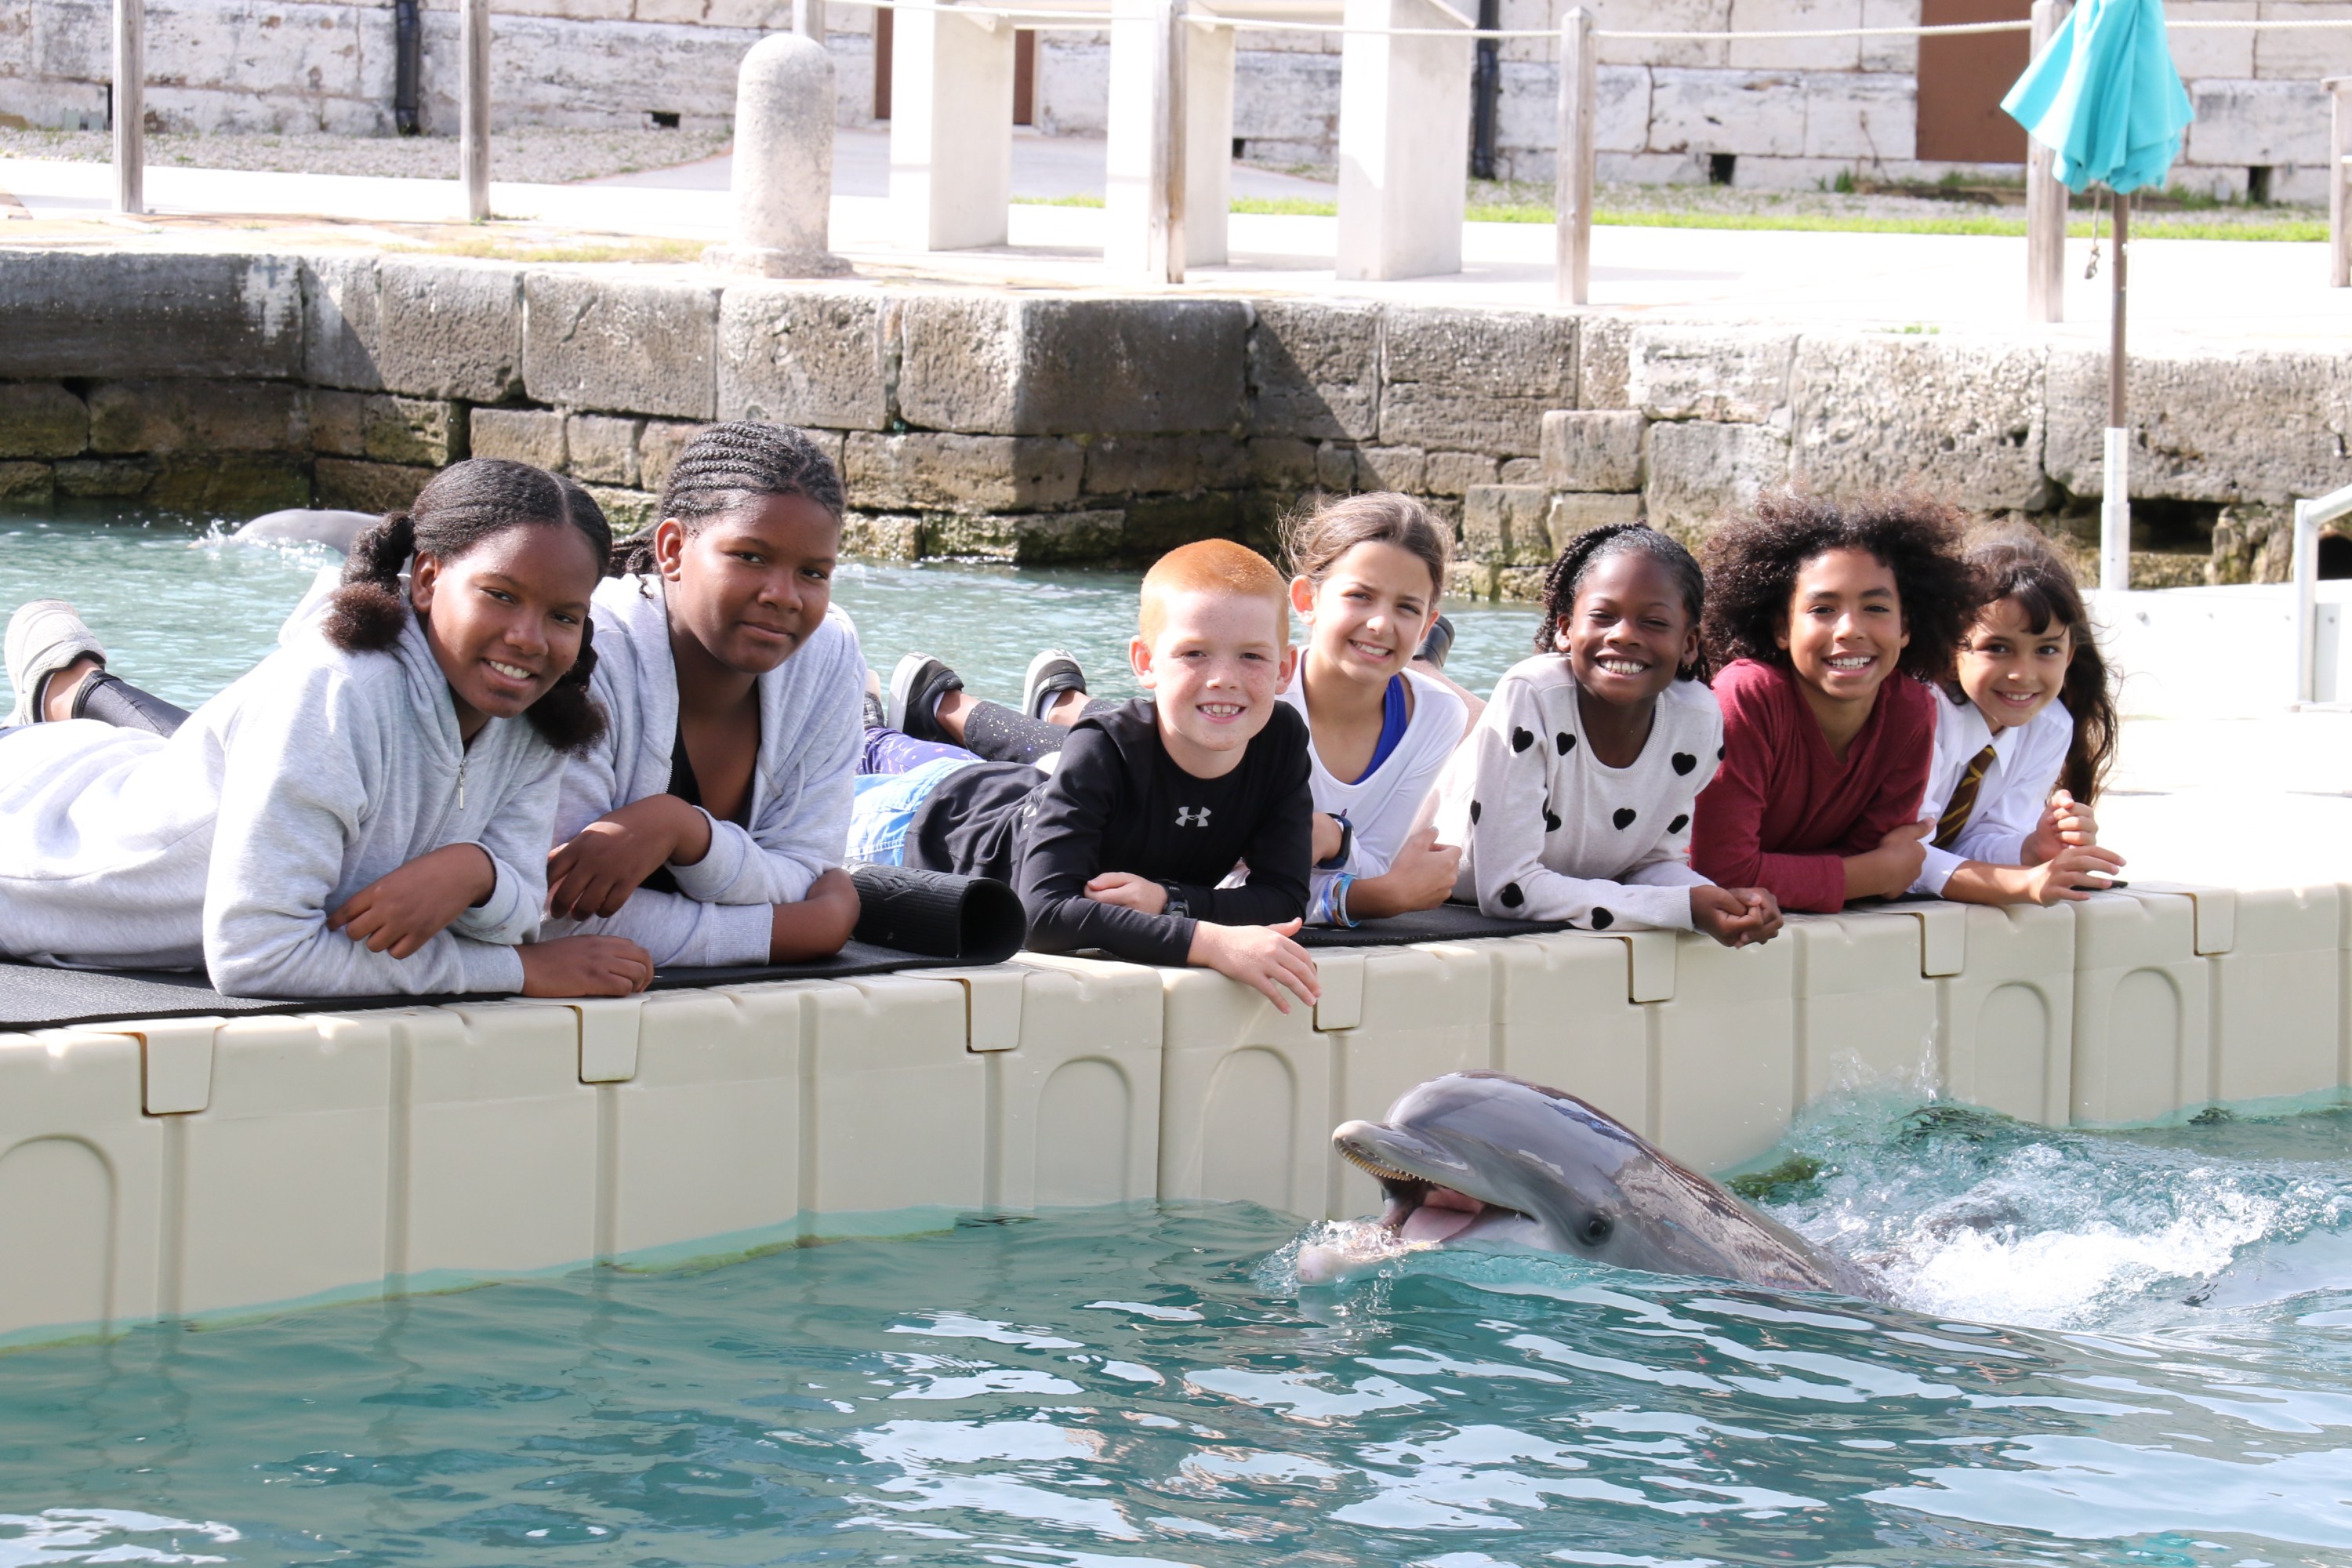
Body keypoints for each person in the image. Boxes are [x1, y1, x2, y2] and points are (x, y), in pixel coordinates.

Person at [0, 459, 653, 999]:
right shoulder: (335, 694)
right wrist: (515, 976)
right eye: (501, 595)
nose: (529, 640)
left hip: (115, 771)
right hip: (28, 841)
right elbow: (258, 956)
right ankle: (69, 685)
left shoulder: (534, 717)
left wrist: (474, 872)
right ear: (426, 579)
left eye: (565, 616)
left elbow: (517, 912)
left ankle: (70, 684)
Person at [850, 539, 1321, 1013]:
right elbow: (1041, 915)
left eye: (1252, 657)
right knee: (820, 788)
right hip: (922, 823)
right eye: (1194, 653)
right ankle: (868, 732)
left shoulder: (1279, 741)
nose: (1224, 678)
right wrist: (1207, 940)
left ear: (1285, 669)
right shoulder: (1104, 746)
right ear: (1145, 663)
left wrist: (1167, 900)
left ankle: (879, 729)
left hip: (1018, 795)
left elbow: (1284, 901)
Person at [539, 422, 865, 967]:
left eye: (813, 572)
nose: (784, 596)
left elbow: (806, 870)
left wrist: (684, 831)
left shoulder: (828, 652)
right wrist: (795, 932)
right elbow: (554, 911)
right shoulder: (588, 651)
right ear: (672, 548)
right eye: (750, 557)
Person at [1432, 524, 1782, 946]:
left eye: (1654, 621)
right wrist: (1680, 909)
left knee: (1458, 707)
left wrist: (1712, 898)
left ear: (1690, 644)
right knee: (1433, 700)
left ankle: (1427, 662)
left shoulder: (1698, 716)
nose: (1624, 634)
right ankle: (1423, 663)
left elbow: (1651, 862)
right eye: (1602, 616)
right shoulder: (1533, 692)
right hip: (1449, 867)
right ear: (1565, 629)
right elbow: (1506, 891)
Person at [1690, 493, 1972, 914]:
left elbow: (1874, 853)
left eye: (1875, 607)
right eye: (1823, 609)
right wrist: (1869, 874)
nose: (1850, 630)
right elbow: (1721, 873)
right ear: (1782, 627)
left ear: (1906, 627)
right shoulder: (1746, 697)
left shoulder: (1912, 710)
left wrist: (1859, 872)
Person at [1914, 532, 2125, 906]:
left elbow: (1974, 841)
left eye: (2046, 650)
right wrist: (2020, 885)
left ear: (2070, 655)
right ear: (1950, 650)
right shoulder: (1922, 716)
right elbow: (1905, 857)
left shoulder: (2049, 727)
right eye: (1997, 648)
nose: (2022, 674)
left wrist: (2031, 849)